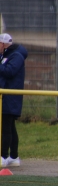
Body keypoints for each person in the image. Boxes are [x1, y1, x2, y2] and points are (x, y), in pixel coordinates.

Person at [0, 33, 28, 167]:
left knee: (6, 127)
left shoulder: (16, 56)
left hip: (10, 97)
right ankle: (14, 156)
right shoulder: (5, 56)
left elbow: (9, 72)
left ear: (4, 44)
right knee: (10, 127)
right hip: (5, 96)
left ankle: (3, 156)